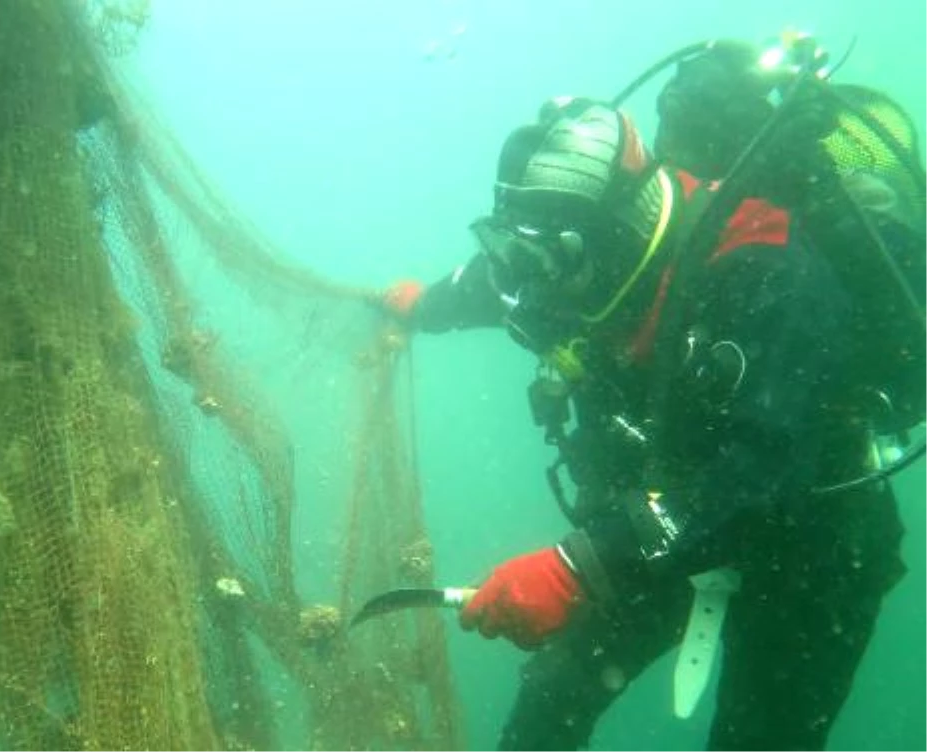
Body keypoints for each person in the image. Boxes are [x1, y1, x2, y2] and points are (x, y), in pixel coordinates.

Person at [382, 93, 911, 751]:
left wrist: (576, 567)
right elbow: (495, 285)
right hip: (660, 527)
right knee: (552, 695)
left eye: (543, 257)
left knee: (760, 741)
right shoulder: (571, 261)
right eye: (514, 248)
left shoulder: (762, 267)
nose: (527, 280)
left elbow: (759, 478)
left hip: (807, 552)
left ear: (613, 232)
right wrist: (422, 305)